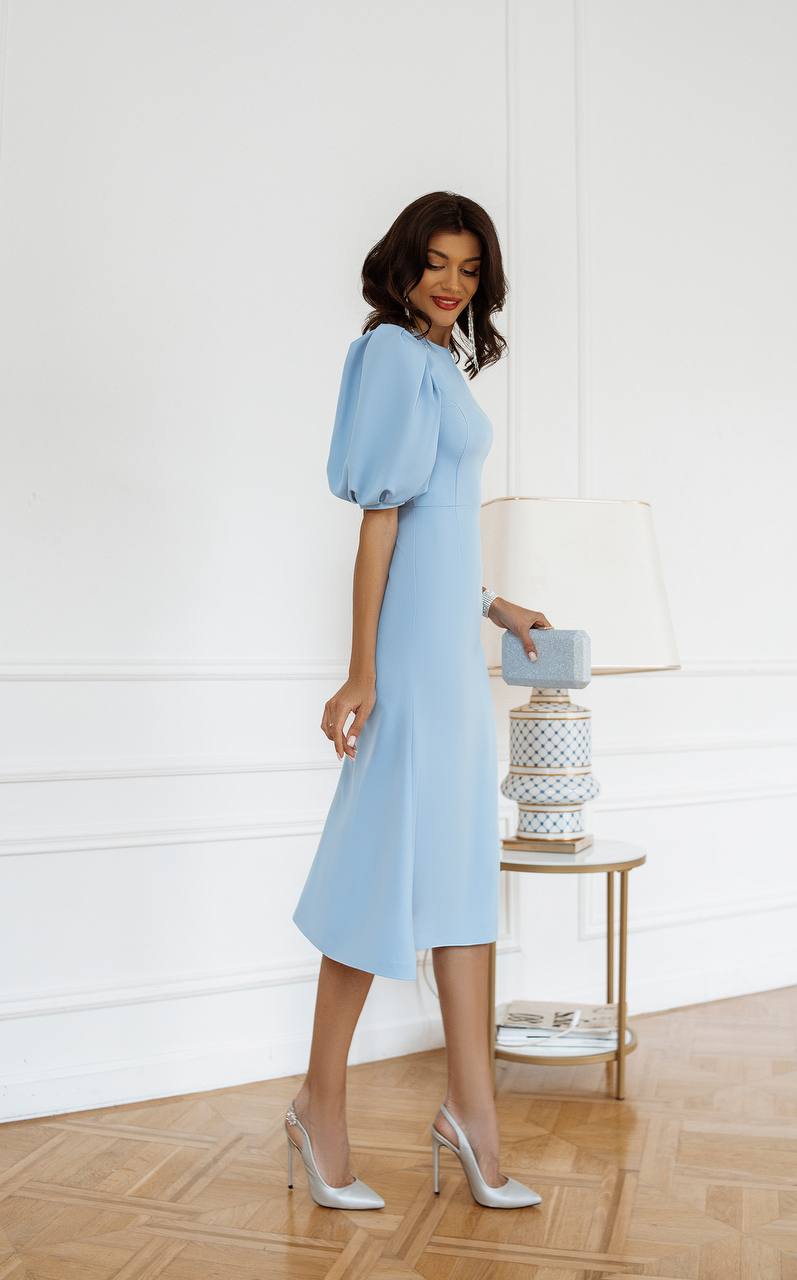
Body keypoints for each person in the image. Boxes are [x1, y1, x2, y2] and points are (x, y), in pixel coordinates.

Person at [287, 192, 552, 1210]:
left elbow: (442, 527)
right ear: (402, 266)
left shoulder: (440, 362)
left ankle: (473, 1119)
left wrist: (493, 604)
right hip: (407, 661)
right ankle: (322, 1103)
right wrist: (362, 671)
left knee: (456, 878)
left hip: (449, 653)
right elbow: (382, 525)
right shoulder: (396, 355)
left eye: (469, 268)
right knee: (378, 875)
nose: (450, 282)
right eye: (435, 262)